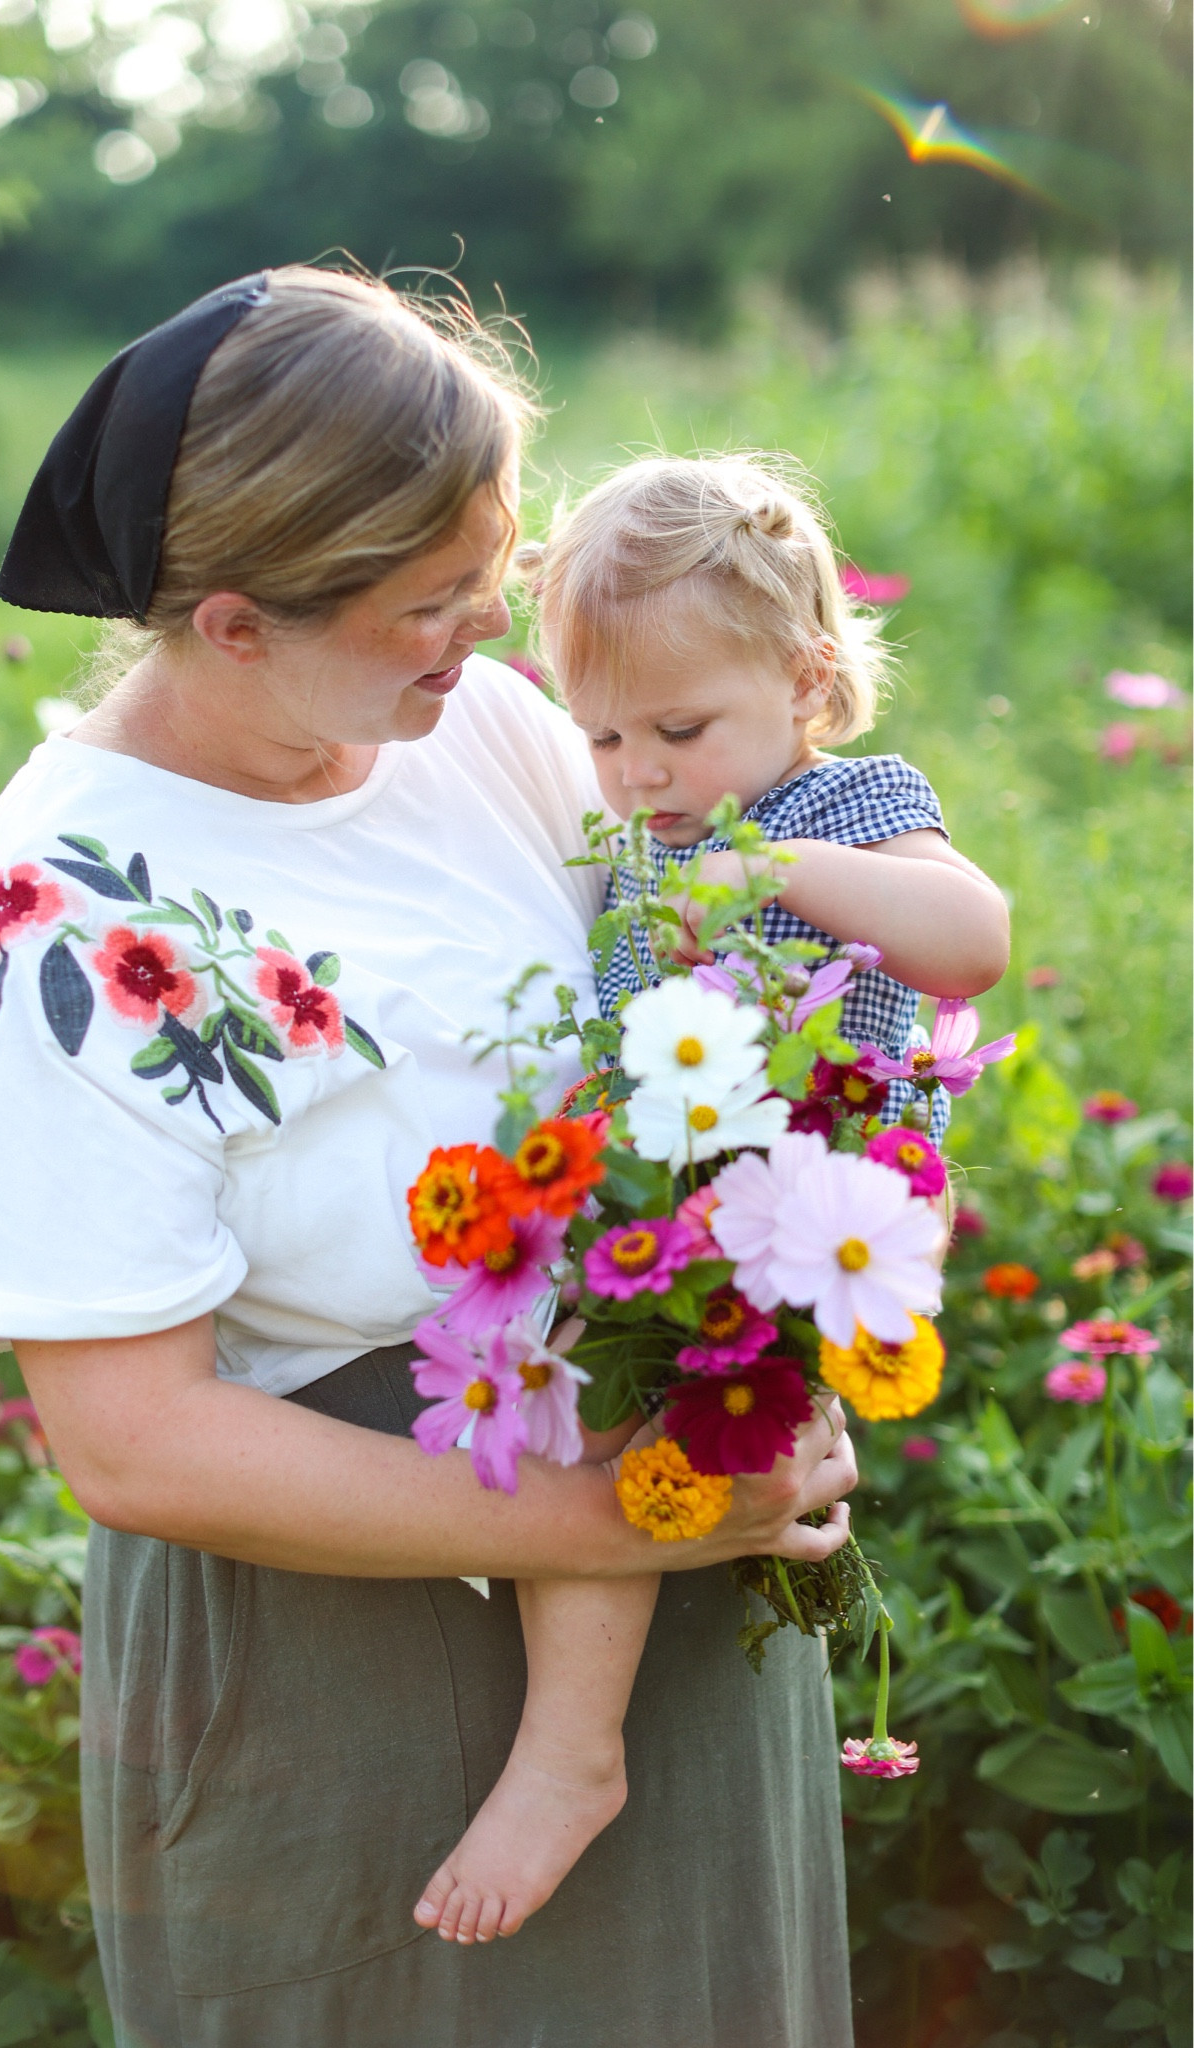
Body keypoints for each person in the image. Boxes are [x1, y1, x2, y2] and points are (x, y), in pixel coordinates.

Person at [0, 271, 861, 2048]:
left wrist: (776, 1306)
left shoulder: (484, 729)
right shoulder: (58, 921)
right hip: (342, 1640)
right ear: (234, 622)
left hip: (653, 1532)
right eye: (430, 601)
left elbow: (690, 1027)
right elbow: (132, 1442)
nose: (488, 626)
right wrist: (613, 1519)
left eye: (486, 568)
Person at [413, 454, 1010, 1947]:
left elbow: (970, 941)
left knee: (684, 1418)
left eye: (677, 729)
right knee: (599, 1414)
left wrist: (780, 870)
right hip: (675, 1205)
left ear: (806, 680)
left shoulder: (844, 801)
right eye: (602, 733)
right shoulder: (632, 839)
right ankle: (582, 1740)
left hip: (831, 1194)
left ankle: (569, 1753)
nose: (637, 774)